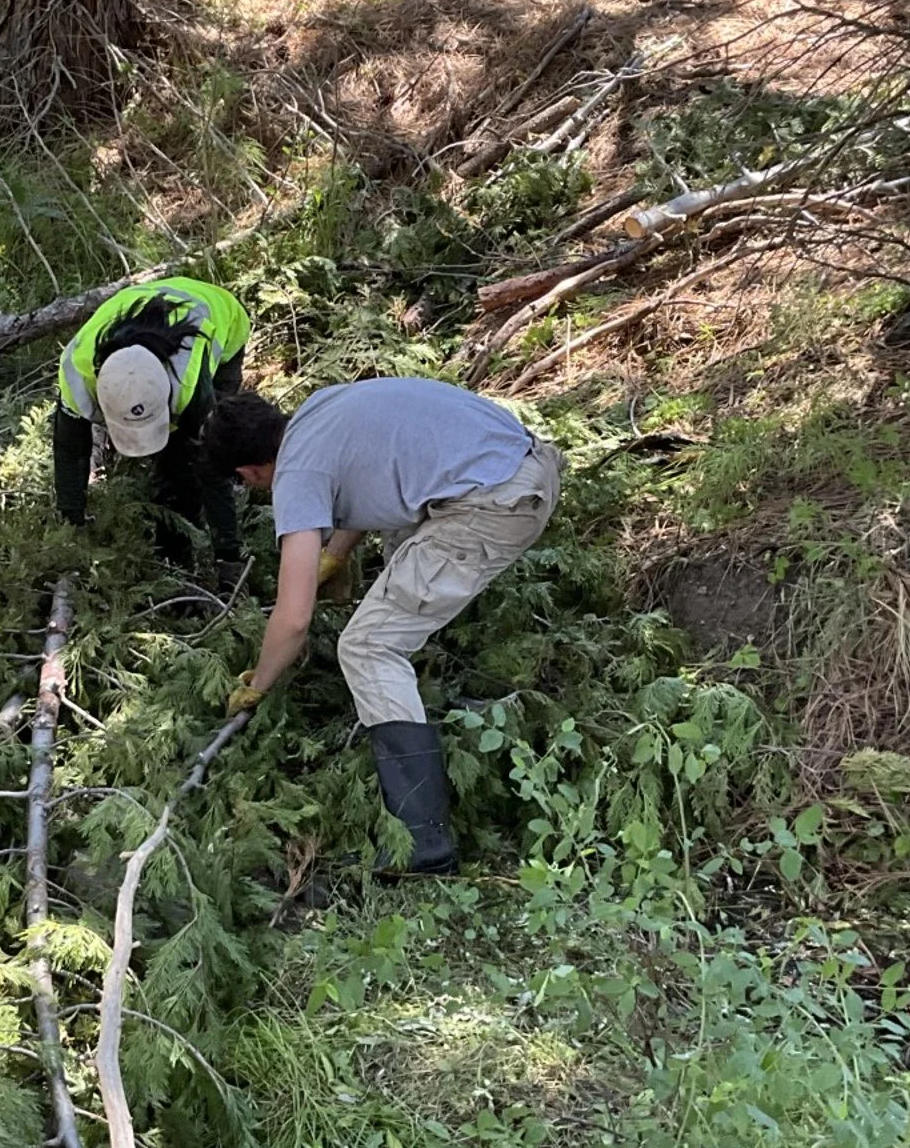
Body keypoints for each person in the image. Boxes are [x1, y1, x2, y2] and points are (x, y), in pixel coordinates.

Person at [201, 378, 563, 876]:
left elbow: (294, 616)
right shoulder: (316, 412)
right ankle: (431, 705)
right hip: (521, 462)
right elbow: (371, 483)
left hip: (493, 504)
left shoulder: (295, 471)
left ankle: (422, 846)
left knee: (367, 647)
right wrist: (336, 554)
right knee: (399, 551)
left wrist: (258, 685)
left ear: (247, 471)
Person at [54, 277, 250, 582]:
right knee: (173, 462)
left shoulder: (190, 386)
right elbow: (70, 451)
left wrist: (228, 555)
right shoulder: (76, 374)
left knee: (184, 465)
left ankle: (177, 554)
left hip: (223, 314)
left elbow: (210, 467)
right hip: (138, 305)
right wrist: (70, 527)